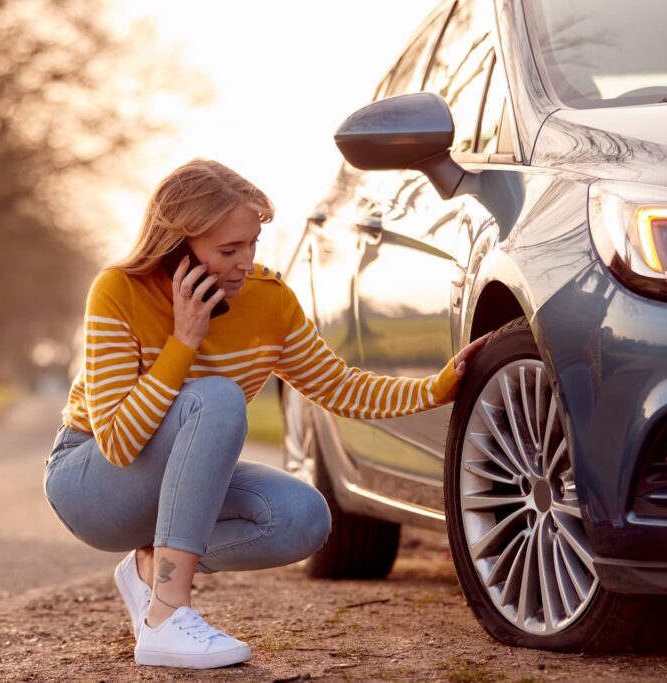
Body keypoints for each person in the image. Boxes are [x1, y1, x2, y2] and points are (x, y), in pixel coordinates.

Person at [43, 159, 489, 669]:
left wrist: (437, 388)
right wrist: (183, 341)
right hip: (93, 483)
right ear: (176, 248)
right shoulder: (119, 292)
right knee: (217, 396)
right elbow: (120, 443)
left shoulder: (268, 300)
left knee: (303, 518)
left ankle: (151, 569)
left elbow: (338, 385)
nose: (244, 263)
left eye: (252, 244)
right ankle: (165, 616)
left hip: (175, 484)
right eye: (227, 250)